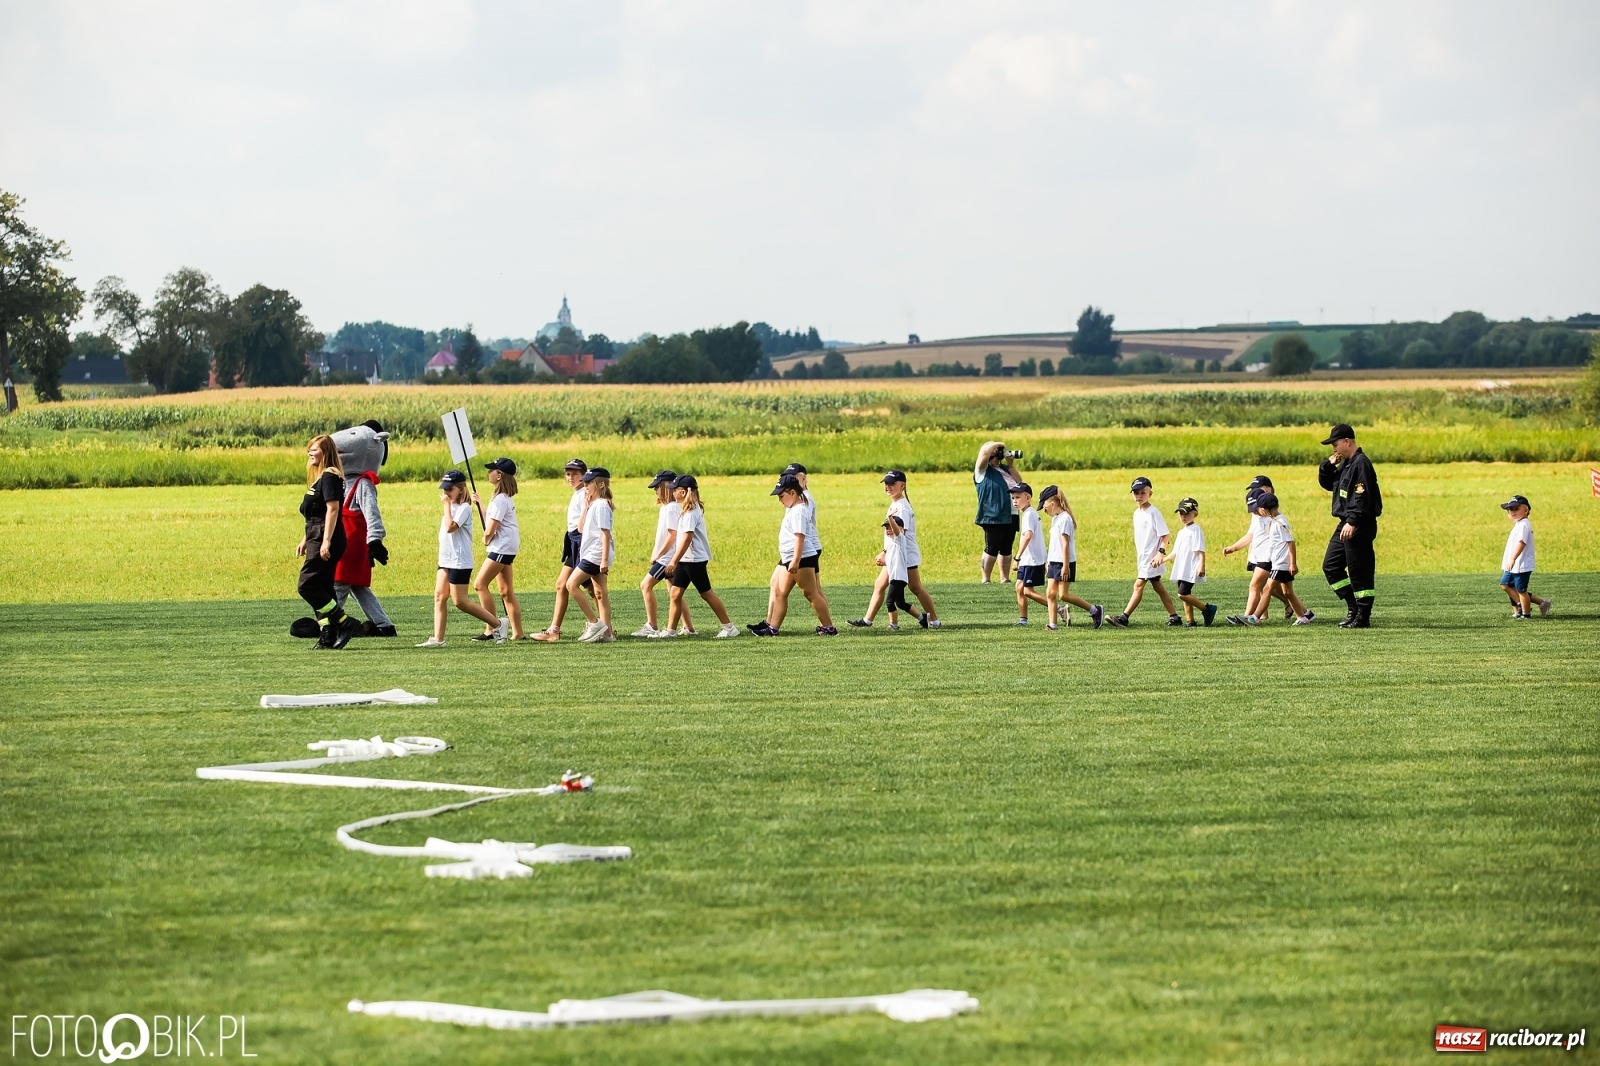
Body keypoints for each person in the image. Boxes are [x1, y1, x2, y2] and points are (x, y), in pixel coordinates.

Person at [417, 470, 505, 648]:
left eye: (450, 489)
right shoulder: (452, 507)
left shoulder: (464, 508)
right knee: (439, 596)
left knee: (461, 602)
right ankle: (438, 639)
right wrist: (448, 505)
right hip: (445, 559)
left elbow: (450, 527)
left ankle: (498, 624)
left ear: (460, 489)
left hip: (459, 561)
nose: (446, 492)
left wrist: (446, 506)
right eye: (445, 489)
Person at [848, 470, 939, 629]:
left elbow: (899, 534)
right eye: (886, 483)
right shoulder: (896, 504)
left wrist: (884, 553)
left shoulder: (901, 508)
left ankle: (933, 620)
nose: (888, 487)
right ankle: (868, 620)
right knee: (880, 584)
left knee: (915, 588)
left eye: (892, 484)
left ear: (902, 486)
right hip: (895, 554)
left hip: (904, 555)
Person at [330, 420, 395, 637]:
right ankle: (384, 626)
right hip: (342, 543)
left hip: (353, 547)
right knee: (358, 587)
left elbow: (372, 514)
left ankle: (330, 625)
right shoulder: (340, 482)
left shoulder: (363, 484)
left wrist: (375, 540)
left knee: (339, 585)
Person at [751, 474, 836, 635]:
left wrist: (796, 561)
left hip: (801, 558)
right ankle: (773, 628)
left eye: (781, 496)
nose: (780, 500)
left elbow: (800, 538)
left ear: (792, 492)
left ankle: (829, 628)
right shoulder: (793, 509)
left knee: (811, 593)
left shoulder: (798, 511)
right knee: (780, 592)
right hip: (790, 558)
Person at [1317, 424, 1383, 628]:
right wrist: (1327, 465)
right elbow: (1330, 485)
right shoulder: (1346, 464)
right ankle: (1353, 607)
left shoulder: (1361, 464)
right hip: (1345, 522)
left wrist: (1352, 521)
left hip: (1358, 523)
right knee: (1331, 566)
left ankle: (1362, 616)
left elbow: (1361, 496)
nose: (1334, 449)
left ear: (1347, 441)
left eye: (1335, 445)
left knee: (1359, 571)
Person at [658, 474, 739, 638]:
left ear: (683, 492)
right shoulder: (687, 510)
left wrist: (673, 561)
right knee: (675, 593)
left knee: (706, 593)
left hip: (693, 560)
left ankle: (729, 628)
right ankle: (671, 631)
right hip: (685, 559)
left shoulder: (690, 513)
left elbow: (687, 539)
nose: (673, 494)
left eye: (675, 491)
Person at [295, 434, 358, 650]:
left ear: (326, 452)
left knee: (307, 585)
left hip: (325, 536)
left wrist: (326, 541)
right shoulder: (321, 477)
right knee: (322, 587)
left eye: (315, 450)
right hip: (316, 534)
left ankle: (344, 622)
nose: (310, 453)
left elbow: (333, 510)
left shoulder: (330, 476)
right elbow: (316, 512)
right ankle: (327, 633)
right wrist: (305, 539)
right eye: (309, 450)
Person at [1106, 476, 1181, 628]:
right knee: (1158, 586)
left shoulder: (1154, 513)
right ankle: (1174, 617)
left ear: (1150, 493)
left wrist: (1160, 553)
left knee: (1138, 585)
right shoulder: (1137, 513)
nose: (1139, 496)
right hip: (1143, 557)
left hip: (1151, 558)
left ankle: (1124, 617)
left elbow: (1165, 535)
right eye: (1136, 493)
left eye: (1142, 493)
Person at [1232, 492, 1314, 626]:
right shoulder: (1275, 521)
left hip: (1281, 564)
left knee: (1267, 589)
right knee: (1287, 592)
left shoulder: (1280, 523)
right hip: (1279, 563)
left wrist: (1293, 564)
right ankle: (1303, 617)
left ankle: (1255, 618)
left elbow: (1291, 542)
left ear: (1264, 510)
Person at [532, 458, 590, 643]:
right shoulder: (578, 493)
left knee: (592, 588)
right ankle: (554, 630)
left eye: (575, 474)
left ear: (584, 475)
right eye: (568, 474)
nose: (571, 477)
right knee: (563, 585)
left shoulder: (584, 494)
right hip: (573, 543)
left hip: (581, 543)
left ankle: (602, 626)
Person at [470, 457, 522, 641]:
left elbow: (492, 527)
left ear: (499, 475)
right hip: (507, 546)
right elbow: (491, 517)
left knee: (479, 584)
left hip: (502, 547)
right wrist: (480, 504)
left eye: (492, 470)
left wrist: (486, 538)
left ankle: (491, 629)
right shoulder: (501, 498)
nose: (489, 472)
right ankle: (518, 634)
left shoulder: (500, 500)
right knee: (506, 591)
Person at [1039, 485, 1103, 630]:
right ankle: (1052, 624)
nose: (1044, 510)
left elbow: (1065, 544)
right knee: (1050, 593)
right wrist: (1049, 562)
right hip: (1054, 561)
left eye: (1045, 506)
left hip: (1064, 562)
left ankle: (1095, 610)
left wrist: (1066, 566)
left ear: (1053, 503)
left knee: (1063, 595)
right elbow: (1055, 544)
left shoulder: (1065, 519)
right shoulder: (1055, 519)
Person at [633, 470, 682, 638]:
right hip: (668, 557)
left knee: (645, 585)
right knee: (675, 592)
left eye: (657, 487)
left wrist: (657, 555)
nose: (655, 491)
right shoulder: (667, 508)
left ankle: (652, 625)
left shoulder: (671, 509)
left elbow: (672, 535)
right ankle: (689, 627)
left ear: (667, 487)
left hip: (667, 558)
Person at [570, 467, 617, 643]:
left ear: (601, 484)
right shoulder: (594, 505)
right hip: (591, 553)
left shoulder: (603, 506)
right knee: (599, 592)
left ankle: (594, 622)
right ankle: (608, 633)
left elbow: (606, 534)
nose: (586, 486)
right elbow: (580, 528)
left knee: (571, 585)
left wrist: (604, 559)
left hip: (596, 554)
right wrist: (586, 506)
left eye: (589, 483)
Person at [973, 441, 1021, 583]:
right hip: (993, 514)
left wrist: (1011, 465)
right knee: (992, 547)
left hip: (1011, 512)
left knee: (1006, 547)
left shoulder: (1005, 469)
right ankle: (986, 578)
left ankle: (1004, 578)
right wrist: (998, 443)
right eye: (998, 450)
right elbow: (984, 453)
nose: (1000, 451)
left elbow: (1019, 482)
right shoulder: (982, 470)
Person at [1168, 497, 1218, 627]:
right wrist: (1162, 560)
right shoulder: (1181, 532)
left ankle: (1207, 609)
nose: (1183, 516)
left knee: (1182, 594)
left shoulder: (1196, 529)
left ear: (1195, 514)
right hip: (1181, 567)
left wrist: (1202, 566)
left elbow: (1200, 549)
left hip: (1191, 567)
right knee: (1186, 594)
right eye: (1181, 513)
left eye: (1187, 513)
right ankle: (1190, 620)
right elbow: (1175, 552)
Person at [1499, 494, 1550, 619]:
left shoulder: (1524, 525)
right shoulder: (1519, 524)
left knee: (1521, 590)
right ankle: (1526, 604)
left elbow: (1522, 543)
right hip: (1514, 564)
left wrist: (1513, 558)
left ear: (1526, 510)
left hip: (1521, 564)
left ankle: (1525, 613)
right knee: (1505, 584)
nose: (1512, 511)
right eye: (1510, 509)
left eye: (1516, 509)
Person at [1011, 483, 1048, 625]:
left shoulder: (1029, 514)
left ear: (1027, 497)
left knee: (1027, 591)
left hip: (1031, 559)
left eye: (1018, 497)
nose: (1015, 500)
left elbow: (1028, 536)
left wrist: (1017, 557)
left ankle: (1058, 608)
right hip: (1028, 559)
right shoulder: (1028, 513)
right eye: (1013, 497)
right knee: (1019, 587)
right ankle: (1023, 619)